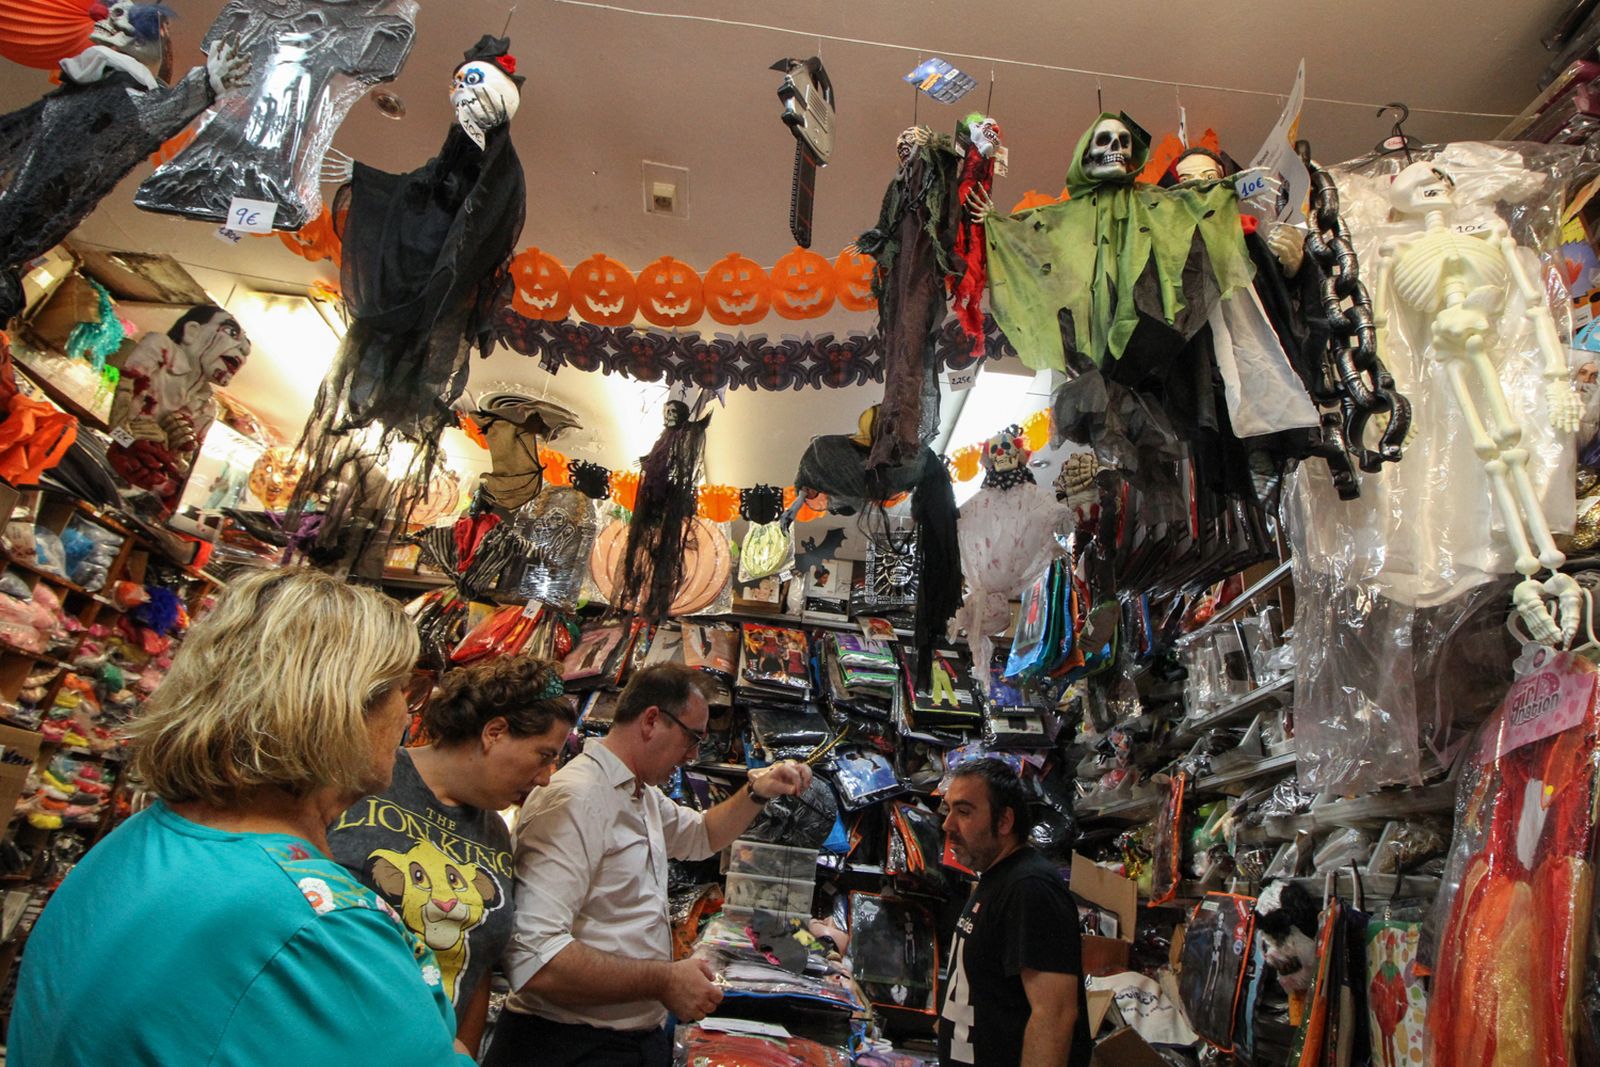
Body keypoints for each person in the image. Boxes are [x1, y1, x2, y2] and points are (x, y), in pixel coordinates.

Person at [7, 569, 474, 1067]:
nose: (407, 715)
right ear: (344, 708)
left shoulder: (145, 837)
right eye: (406, 689)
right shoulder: (318, 923)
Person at [483, 662, 813, 1067]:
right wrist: (665, 979)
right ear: (652, 720)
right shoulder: (575, 799)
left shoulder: (637, 793)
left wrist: (759, 791)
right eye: (691, 739)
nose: (693, 756)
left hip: (623, 1042)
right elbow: (537, 960)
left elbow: (702, 836)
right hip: (565, 1047)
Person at [329, 654, 576, 1054]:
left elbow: (476, 965)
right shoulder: (373, 779)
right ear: (494, 732)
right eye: (544, 755)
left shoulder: (494, 830)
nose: (547, 778)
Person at [939, 758, 1092, 1067]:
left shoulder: (1030, 888)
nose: (947, 825)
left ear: (1004, 821)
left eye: (964, 812)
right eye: (948, 809)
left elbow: (1055, 1015)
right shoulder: (998, 879)